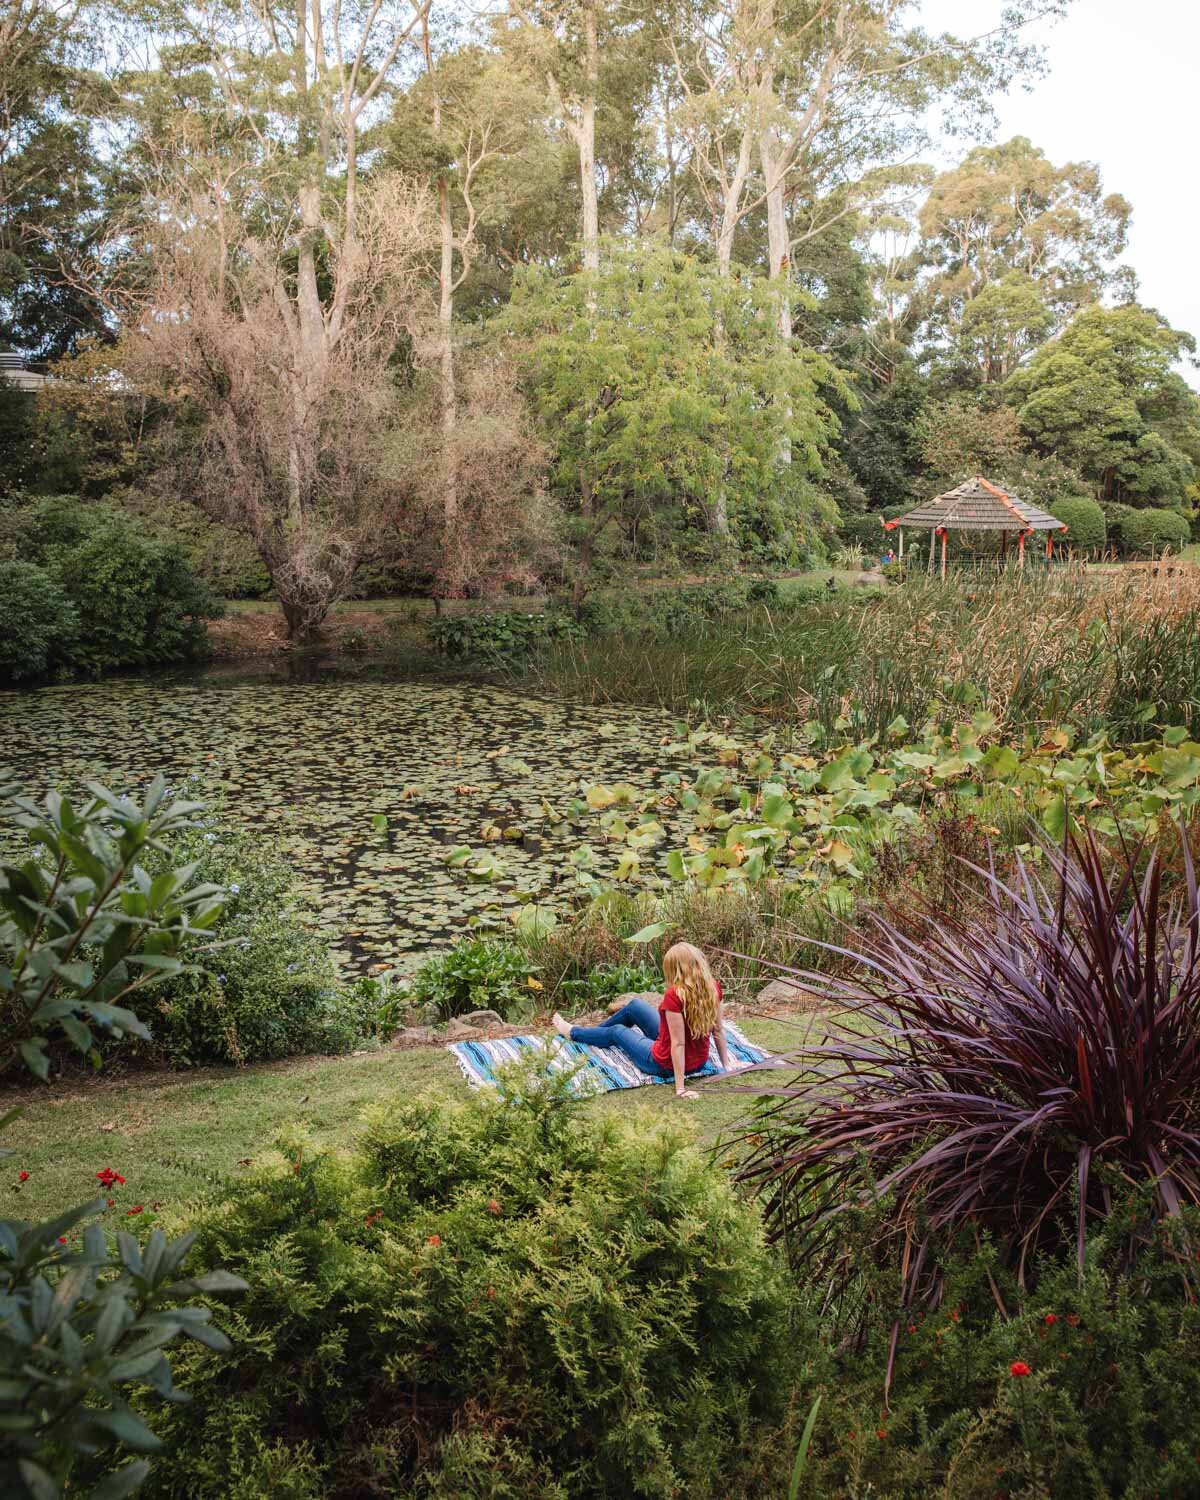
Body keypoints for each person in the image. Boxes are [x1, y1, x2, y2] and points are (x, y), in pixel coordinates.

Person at [551, 942, 734, 1100]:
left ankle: (574, 1033)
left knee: (617, 1031)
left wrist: (681, 1088)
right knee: (635, 1006)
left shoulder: (674, 995)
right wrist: (726, 1065)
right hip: (698, 1061)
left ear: (675, 969)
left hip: (662, 1064)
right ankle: (595, 1035)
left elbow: (678, 1044)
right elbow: (718, 1030)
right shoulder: (713, 987)